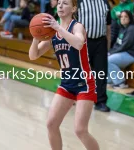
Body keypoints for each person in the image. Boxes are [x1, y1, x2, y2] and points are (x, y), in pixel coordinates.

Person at [29, 0, 100, 149]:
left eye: (65, 3)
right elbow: (33, 55)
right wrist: (36, 37)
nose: (60, 5)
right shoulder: (52, 32)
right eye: (59, 3)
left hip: (84, 83)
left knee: (80, 130)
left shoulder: (77, 26)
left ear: (73, 8)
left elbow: (79, 43)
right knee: (51, 124)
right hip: (67, 84)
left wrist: (58, 28)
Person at [77, 0, 111, 112]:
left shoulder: (105, 3)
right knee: (78, 70)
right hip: (83, 41)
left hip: (101, 42)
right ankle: (74, 96)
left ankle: (100, 101)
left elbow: (108, 26)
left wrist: (108, 45)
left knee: (101, 72)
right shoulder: (79, 2)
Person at [108, 10, 134, 89]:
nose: (123, 18)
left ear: (130, 18)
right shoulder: (122, 29)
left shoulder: (132, 29)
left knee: (109, 60)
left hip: (130, 54)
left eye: (126, 16)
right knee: (105, 58)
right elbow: (117, 44)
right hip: (123, 53)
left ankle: (120, 82)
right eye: (121, 17)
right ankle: (110, 81)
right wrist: (110, 52)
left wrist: (111, 53)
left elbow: (125, 45)